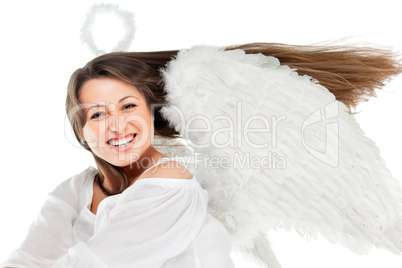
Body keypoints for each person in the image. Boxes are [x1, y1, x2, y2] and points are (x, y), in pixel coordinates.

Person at [1, 43, 401, 268]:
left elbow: (98, 264)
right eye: (98, 114)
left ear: (151, 114)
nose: (116, 127)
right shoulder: (75, 189)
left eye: (127, 108)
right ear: (81, 129)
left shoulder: (170, 185)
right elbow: (29, 258)